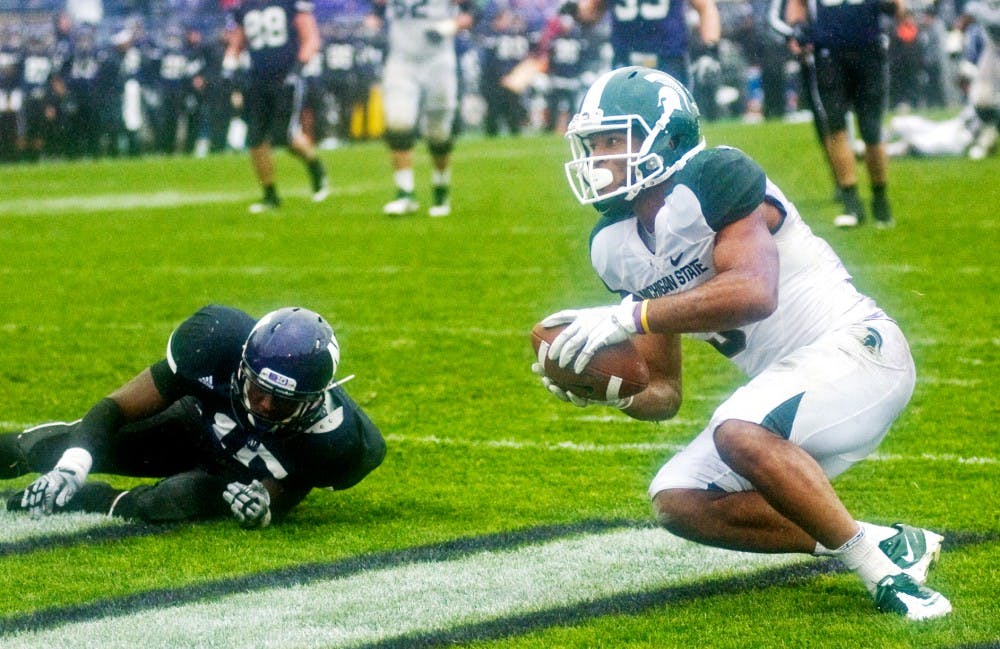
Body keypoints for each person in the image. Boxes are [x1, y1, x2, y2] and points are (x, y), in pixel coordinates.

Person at [533, 66, 951, 620]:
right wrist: (612, 391)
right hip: (790, 398)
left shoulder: (717, 177)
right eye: (593, 144)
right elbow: (665, 392)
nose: (600, 158)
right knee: (679, 498)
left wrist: (630, 317)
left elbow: (754, 293)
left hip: (860, 354)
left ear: (668, 135)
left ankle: (882, 575)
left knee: (738, 428)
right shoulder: (614, 244)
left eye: (615, 140)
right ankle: (886, 541)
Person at [3, 305, 385, 528]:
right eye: (258, 390)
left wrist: (263, 505)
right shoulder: (216, 341)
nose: (265, 406)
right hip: (190, 426)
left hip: (232, 478)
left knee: (168, 502)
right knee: (49, 448)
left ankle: (82, 501)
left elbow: (296, 480)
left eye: (282, 402)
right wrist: (71, 466)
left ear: (311, 400)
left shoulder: (342, 440)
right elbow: (115, 408)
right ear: (242, 366)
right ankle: (54, 474)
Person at [777, 0, 902, 228]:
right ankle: (851, 202)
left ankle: (880, 199)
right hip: (829, 51)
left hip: (869, 47)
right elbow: (797, 4)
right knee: (835, 126)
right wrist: (797, 26)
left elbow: (896, 7)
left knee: (871, 129)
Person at [370, 0, 476, 218]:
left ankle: (440, 187)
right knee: (398, 122)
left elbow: (475, 11)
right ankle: (404, 192)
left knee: (438, 132)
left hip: (438, 60)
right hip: (401, 60)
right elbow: (376, 8)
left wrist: (450, 26)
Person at [225, 0, 330, 213]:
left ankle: (315, 166)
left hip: (285, 77)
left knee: (284, 136)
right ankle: (270, 195)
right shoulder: (245, 7)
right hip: (256, 79)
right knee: (255, 137)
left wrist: (298, 67)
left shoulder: (290, 3)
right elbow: (237, 42)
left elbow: (311, 38)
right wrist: (229, 66)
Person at [559, 0, 722, 91]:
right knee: (625, 122)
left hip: (668, 55)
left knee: (673, 117)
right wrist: (574, 10)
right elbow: (592, 12)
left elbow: (705, 6)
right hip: (627, 56)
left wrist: (710, 49)